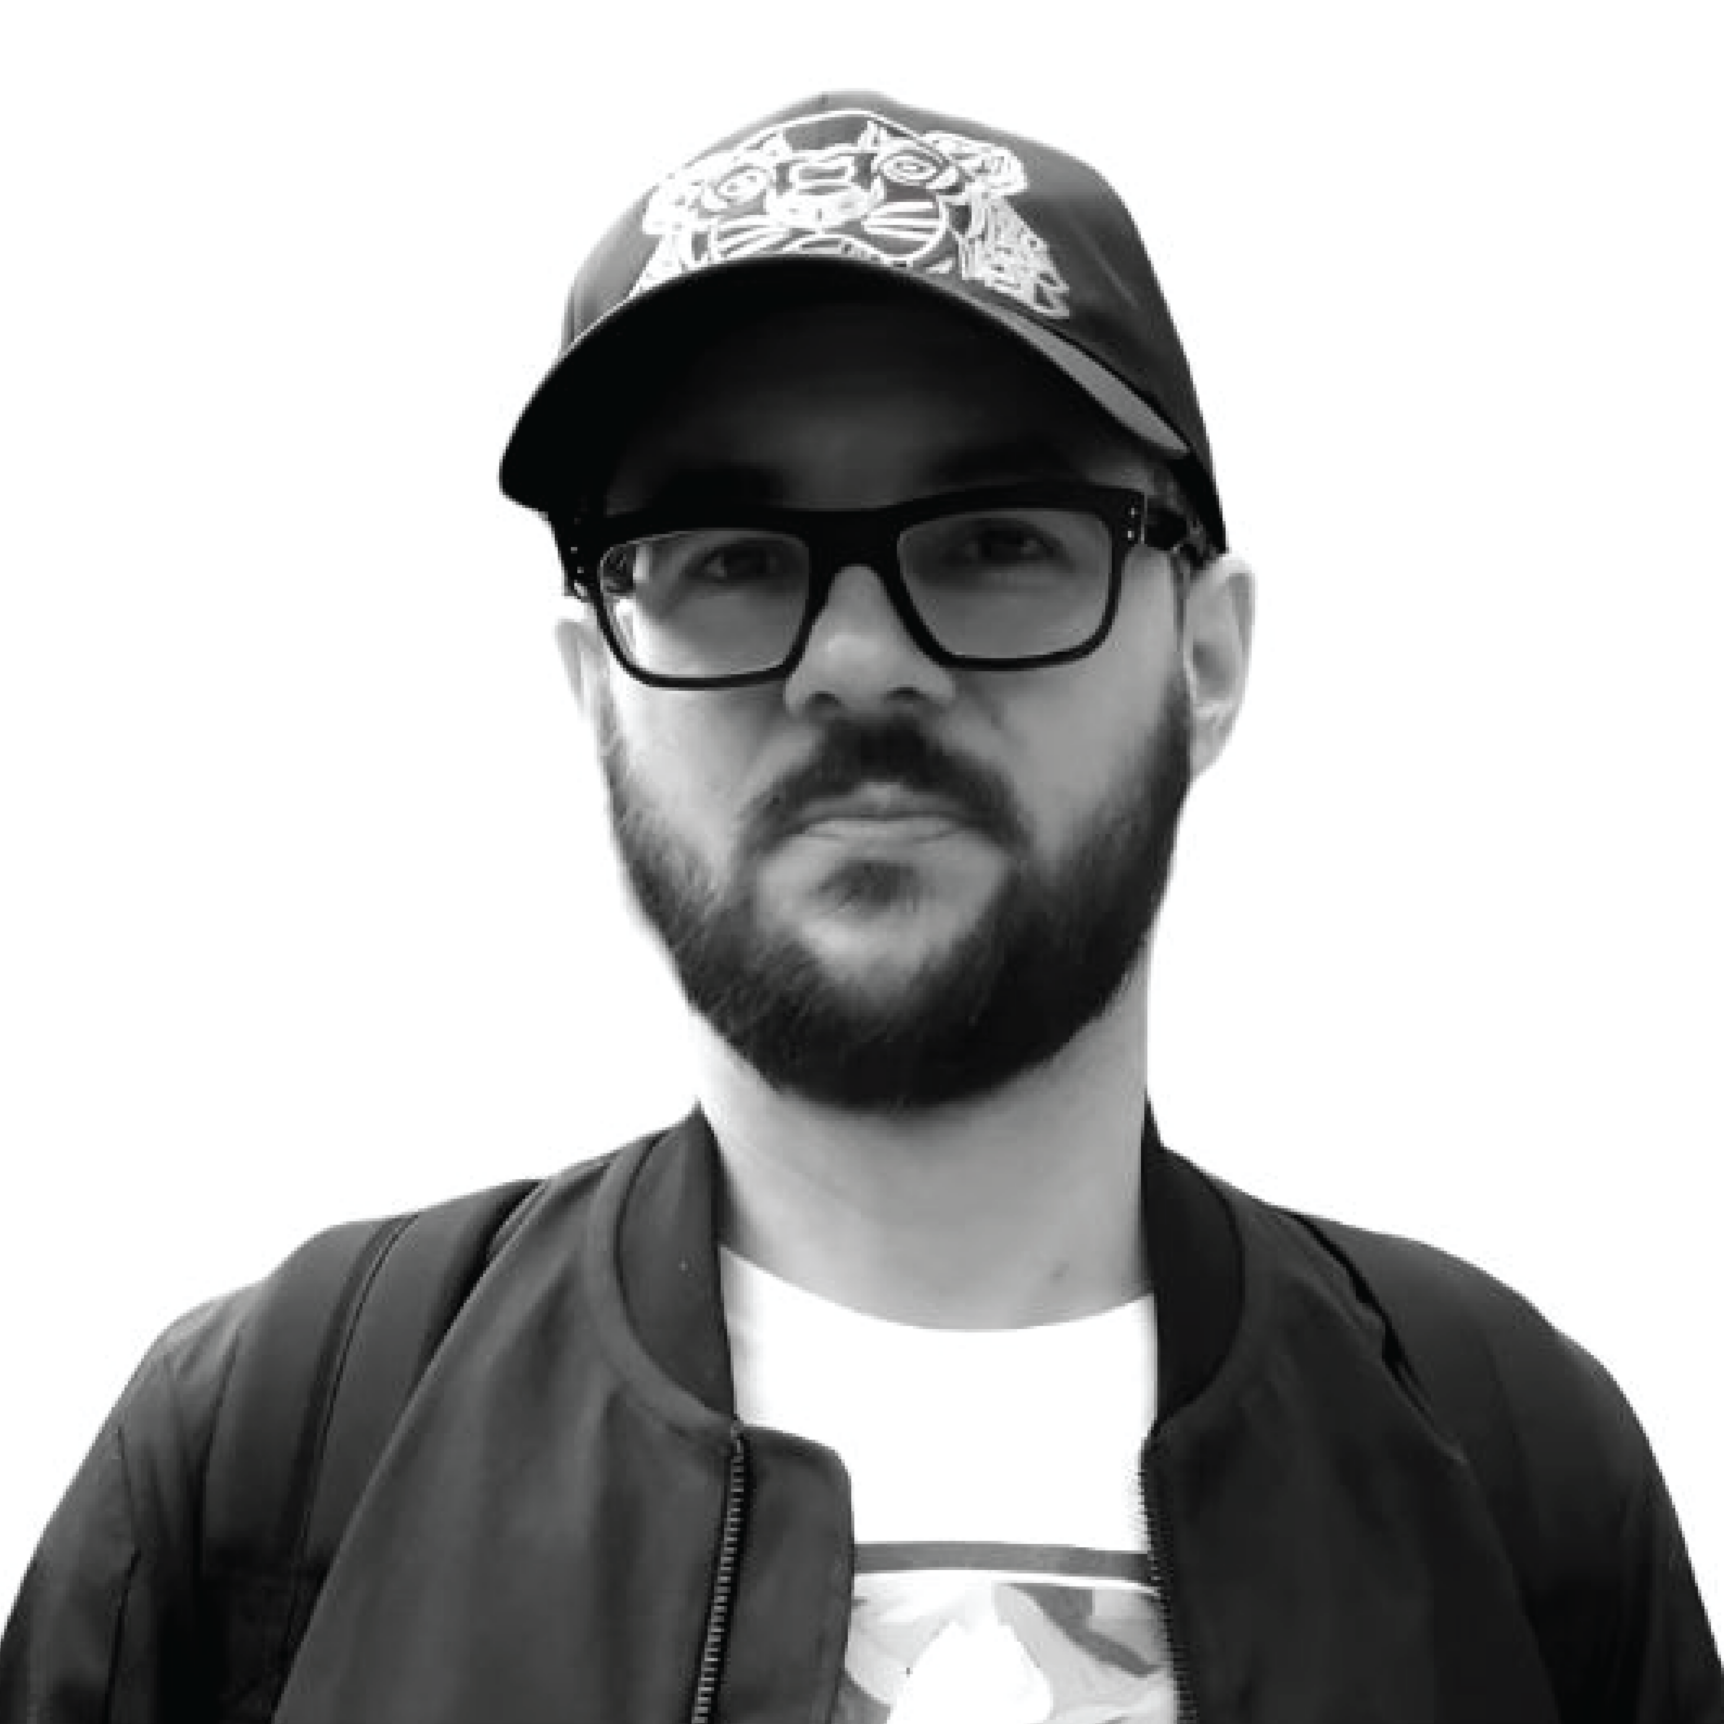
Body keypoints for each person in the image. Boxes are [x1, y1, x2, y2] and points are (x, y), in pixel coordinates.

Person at [4, 88, 1719, 1724]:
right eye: (728, 557)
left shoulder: (1514, 1471)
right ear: (596, 697)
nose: (857, 659)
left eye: (998, 538)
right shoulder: (265, 1461)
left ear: (1206, 659)